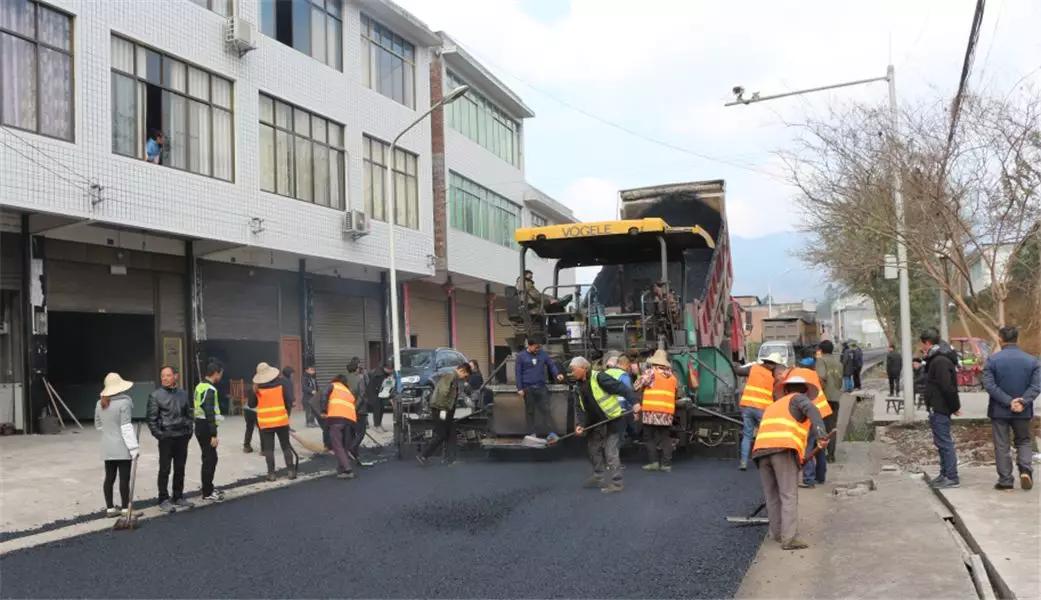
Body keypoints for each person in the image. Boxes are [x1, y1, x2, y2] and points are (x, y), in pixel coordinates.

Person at [752, 373, 829, 550]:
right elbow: (813, 410)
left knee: (772, 495)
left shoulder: (773, 406)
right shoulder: (798, 399)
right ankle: (789, 539)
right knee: (788, 494)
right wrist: (821, 435)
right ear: (803, 391)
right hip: (782, 451)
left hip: (760, 452)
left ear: (785, 389)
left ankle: (777, 533)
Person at [981, 325, 1039, 491]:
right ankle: (1025, 469)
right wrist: (1022, 401)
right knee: (1024, 440)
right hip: (1023, 410)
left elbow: (989, 385)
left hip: (999, 410)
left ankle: (1006, 480)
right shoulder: (1032, 360)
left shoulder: (993, 360)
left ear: (1000, 339)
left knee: (1002, 444)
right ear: (1017, 339)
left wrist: (1008, 401)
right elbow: (1036, 385)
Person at [569, 356, 635, 494]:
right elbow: (579, 408)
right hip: (596, 422)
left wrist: (635, 402)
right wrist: (580, 424)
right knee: (593, 448)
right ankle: (599, 476)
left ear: (583, 368)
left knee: (610, 451)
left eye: (573, 370)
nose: (572, 373)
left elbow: (622, 388)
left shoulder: (599, 378)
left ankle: (617, 483)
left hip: (613, 419)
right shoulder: (577, 387)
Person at [147, 366, 193, 514]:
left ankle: (178, 496)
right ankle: (163, 499)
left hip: (182, 437)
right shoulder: (155, 396)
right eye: (162, 376)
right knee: (165, 469)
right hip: (166, 438)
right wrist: (160, 435)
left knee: (180, 468)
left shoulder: (183, 394)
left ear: (176, 376)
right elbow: (151, 420)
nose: (165, 378)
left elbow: (189, 414)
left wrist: (188, 431)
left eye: (168, 375)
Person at [920, 328, 962, 489]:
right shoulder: (935, 359)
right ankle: (944, 473)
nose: (922, 348)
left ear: (928, 343)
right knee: (940, 442)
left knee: (944, 442)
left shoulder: (940, 361)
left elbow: (948, 387)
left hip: (941, 407)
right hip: (936, 406)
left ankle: (951, 476)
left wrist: (955, 406)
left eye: (922, 344)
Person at [95, 373, 139, 517]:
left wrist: (109, 432)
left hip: (107, 446)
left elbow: (98, 425)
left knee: (109, 477)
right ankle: (126, 509)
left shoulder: (99, 402)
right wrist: (134, 448)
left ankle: (110, 509)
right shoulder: (124, 402)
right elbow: (126, 427)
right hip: (122, 446)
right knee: (124, 478)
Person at [734, 353, 786, 471]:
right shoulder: (773, 376)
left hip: (747, 406)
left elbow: (738, 371)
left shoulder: (753, 368)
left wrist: (736, 364)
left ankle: (743, 463)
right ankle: (764, 462)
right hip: (762, 409)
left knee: (747, 435)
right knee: (764, 435)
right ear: (773, 364)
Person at [417, 362, 471, 466]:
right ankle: (423, 455)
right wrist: (445, 409)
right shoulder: (450, 375)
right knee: (442, 434)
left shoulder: (453, 377)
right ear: (462, 370)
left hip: (445, 410)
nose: (465, 378)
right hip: (441, 409)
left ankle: (451, 459)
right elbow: (443, 392)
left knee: (451, 433)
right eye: (465, 375)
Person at [636, 350, 679, 472]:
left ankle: (654, 462)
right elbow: (676, 394)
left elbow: (636, 385)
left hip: (651, 411)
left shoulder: (651, 373)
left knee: (648, 436)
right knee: (665, 437)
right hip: (666, 412)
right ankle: (666, 464)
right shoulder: (673, 377)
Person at [253, 362, 297, 481]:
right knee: (286, 446)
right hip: (281, 421)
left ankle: (271, 474)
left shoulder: (257, 388)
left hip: (266, 423)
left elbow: (251, 404)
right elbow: (289, 400)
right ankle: (291, 471)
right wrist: (286, 414)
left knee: (269, 449)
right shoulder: (281, 384)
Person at [515, 335, 565, 437]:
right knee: (530, 412)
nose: (538, 349)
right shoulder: (521, 356)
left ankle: (551, 433)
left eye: (539, 347)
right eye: (536, 347)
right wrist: (520, 388)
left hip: (541, 387)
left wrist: (557, 374)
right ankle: (531, 433)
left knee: (546, 410)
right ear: (529, 345)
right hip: (528, 388)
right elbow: (518, 373)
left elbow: (551, 365)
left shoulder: (543, 354)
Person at [194, 360, 224, 502]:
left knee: (208, 457)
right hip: (206, 427)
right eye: (220, 374)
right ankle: (207, 492)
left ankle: (208, 487)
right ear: (216, 373)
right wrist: (214, 434)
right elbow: (209, 412)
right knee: (210, 459)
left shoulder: (200, 386)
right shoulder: (210, 390)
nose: (221, 376)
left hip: (199, 426)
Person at [320, 374, 358, 480]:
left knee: (337, 445)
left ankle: (347, 469)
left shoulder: (333, 385)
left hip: (337, 419)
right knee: (344, 445)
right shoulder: (348, 391)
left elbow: (324, 395)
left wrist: (323, 410)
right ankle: (341, 469)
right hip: (350, 421)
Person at [815, 340, 843, 462]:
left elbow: (821, 377)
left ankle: (820, 455)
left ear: (821, 350)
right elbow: (840, 382)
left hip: (824, 399)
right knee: (832, 427)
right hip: (835, 398)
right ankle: (831, 455)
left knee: (820, 427)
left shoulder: (821, 360)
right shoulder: (838, 362)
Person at [344, 358, 369, 460]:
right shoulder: (360, 378)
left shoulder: (344, 379)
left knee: (351, 432)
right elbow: (362, 394)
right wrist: (356, 407)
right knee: (361, 432)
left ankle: (354, 453)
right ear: (356, 369)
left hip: (346, 409)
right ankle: (352, 449)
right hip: (359, 410)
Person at [366, 360, 394, 431]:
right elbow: (381, 387)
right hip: (374, 393)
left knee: (381, 409)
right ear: (385, 368)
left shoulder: (386, 374)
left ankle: (379, 424)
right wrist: (389, 397)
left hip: (380, 393)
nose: (391, 371)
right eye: (390, 369)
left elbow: (387, 387)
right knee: (377, 409)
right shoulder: (379, 374)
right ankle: (377, 425)